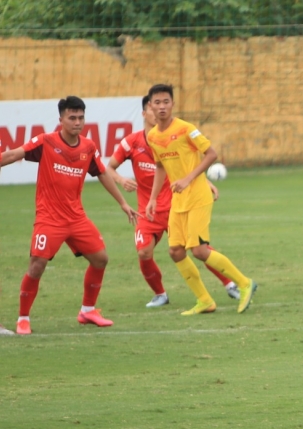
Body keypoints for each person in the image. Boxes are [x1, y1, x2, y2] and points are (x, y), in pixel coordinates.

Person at [0, 96, 139, 334]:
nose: (77, 122)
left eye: (80, 117)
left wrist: (123, 203)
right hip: (49, 219)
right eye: (72, 117)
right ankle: (23, 318)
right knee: (37, 265)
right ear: (61, 119)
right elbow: (14, 154)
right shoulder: (46, 142)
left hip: (76, 219)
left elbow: (102, 173)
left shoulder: (88, 147)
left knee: (101, 259)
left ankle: (87, 310)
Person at [105, 95, 240, 308]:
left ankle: (230, 283)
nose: (159, 110)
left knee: (198, 248)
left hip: (176, 205)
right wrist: (122, 180)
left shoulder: (173, 136)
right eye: (153, 106)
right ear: (145, 112)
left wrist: (203, 182)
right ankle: (160, 294)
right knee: (143, 252)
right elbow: (108, 167)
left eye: (163, 105)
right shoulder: (132, 142)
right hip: (149, 209)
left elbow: (187, 164)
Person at [145, 84, 256, 315]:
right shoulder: (152, 136)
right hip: (178, 200)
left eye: (166, 101)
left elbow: (212, 154)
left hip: (197, 195)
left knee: (198, 250)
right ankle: (204, 300)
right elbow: (159, 166)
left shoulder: (186, 128)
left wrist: (188, 178)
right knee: (175, 251)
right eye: (157, 102)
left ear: (172, 104)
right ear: (150, 106)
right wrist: (153, 198)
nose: (162, 106)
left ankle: (244, 283)